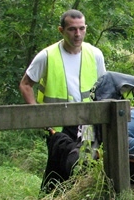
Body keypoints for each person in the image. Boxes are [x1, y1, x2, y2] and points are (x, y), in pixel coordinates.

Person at [19, 9, 106, 140]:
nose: (78, 34)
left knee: (88, 160)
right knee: (61, 160)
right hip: (57, 125)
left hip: (88, 123)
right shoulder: (47, 56)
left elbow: (104, 87)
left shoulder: (95, 54)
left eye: (82, 28)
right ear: (61, 30)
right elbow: (25, 84)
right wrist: (37, 114)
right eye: (72, 29)